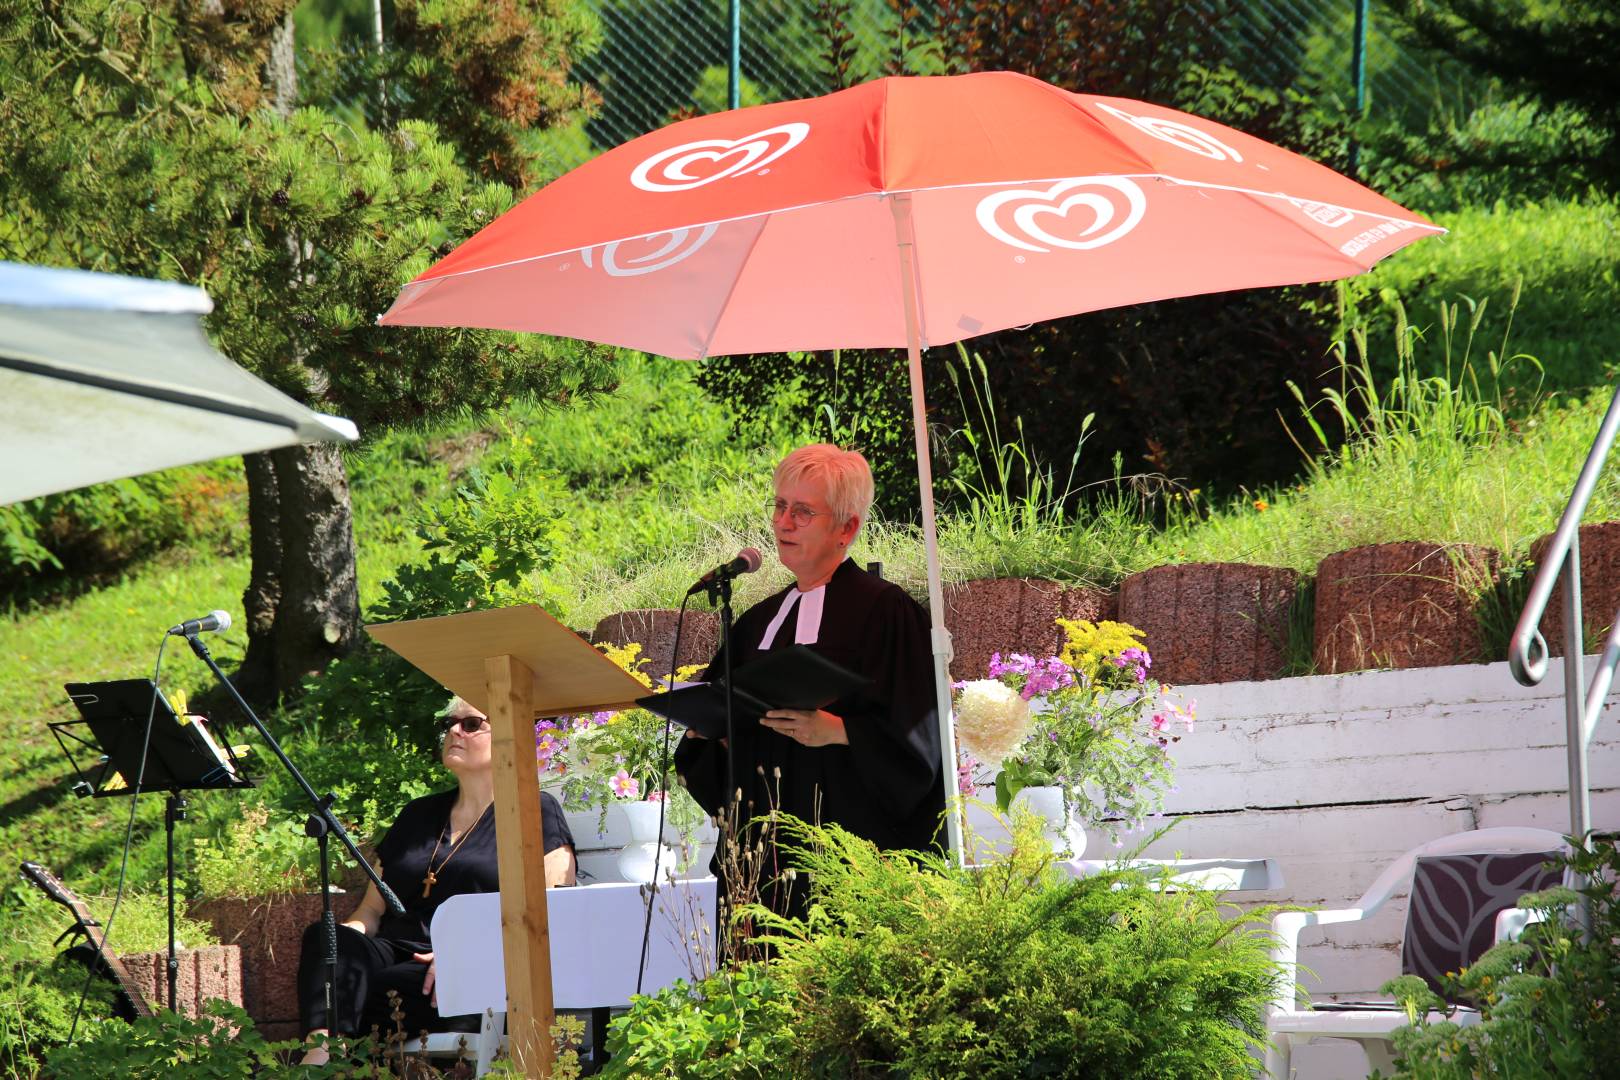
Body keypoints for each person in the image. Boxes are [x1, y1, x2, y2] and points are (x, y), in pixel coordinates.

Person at [674, 443, 945, 915]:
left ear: (847, 528)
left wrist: (839, 731)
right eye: (779, 506)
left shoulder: (885, 611)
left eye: (802, 511)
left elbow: (918, 735)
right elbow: (717, 730)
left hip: (850, 860)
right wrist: (710, 734)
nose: (783, 522)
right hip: (762, 862)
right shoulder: (757, 622)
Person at [297, 697, 576, 1063]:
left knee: (378, 989)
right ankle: (321, 1057)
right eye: (450, 724)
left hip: (470, 965)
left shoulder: (534, 809)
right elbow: (369, 912)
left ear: (510, 737)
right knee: (327, 939)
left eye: (471, 724)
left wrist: (466, 954)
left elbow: (553, 908)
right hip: (393, 947)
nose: (454, 731)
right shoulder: (418, 814)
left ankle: (325, 1064)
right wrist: (341, 947)